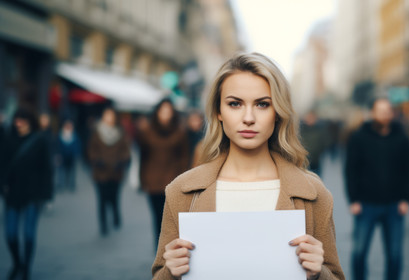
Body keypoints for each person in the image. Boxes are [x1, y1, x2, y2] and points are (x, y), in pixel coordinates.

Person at [151, 53, 345, 280]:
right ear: (219, 112)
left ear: (278, 113)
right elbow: (159, 275)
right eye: (235, 104)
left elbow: (334, 275)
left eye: (263, 104)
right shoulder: (181, 191)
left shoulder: (313, 193)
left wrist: (318, 273)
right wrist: (170, 273)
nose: (249, 117)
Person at [345, 98, 409, 280]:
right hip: (366, 204)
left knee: (395, 254)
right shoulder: (359, 137)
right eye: (380, 110)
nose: (384, 114)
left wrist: (406, 198)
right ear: (373, 113)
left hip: (395, 205)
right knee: (359, 252)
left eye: (387, 110)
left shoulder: (401, 137)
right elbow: (351, 169)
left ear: (392, 113)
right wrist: (353, 200)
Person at [0, 108, 53, 280]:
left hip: (33, 193)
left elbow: (47, 168)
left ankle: (26, 268)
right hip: (13, 193)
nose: (19, 123)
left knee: (29, 234)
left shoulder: (39, 141)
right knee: (10, 233)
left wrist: (46, 194)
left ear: (30, 121)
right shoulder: (7, 139)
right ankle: (17, 263)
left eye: (22, 119)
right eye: (16, 119)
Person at [136, 98, 189, 246]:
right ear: (157, 112)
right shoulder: (147, 132)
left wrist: (182, 179)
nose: (166, 114)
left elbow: (184, 157)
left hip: (173, 181)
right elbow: (143, 157)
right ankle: (158, 247)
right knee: (157, 216)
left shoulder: (179, 132)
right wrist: (142, 180)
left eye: (168, 111)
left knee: (172, 218)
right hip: (153, 181)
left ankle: (170, 245)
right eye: (163, 111)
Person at [88, 106, 130, 236]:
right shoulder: (96, 132)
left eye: (111, 115)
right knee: (102, 199)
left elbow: (125, 150)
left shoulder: (120, 132)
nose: (109, 118)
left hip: (116, 173)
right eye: (107, 115)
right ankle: (103, 224)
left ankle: (116, 216)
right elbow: (91, 150)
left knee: (114, 197)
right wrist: (96, 160)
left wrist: (122, 161)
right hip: (101, 173)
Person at [56, 119, 81, 192]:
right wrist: (58, 154)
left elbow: (78, 146)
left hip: (72, 157)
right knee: (61, 172)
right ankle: (61, 185)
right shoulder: (60, 135)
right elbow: (57, 146)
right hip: (62, 156)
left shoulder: (75, 136)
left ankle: (71, 185)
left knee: (72, 172)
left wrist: (76, 154)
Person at [301, 111, 327, 175]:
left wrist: (319, 151)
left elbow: (323, 142)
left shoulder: (319, 129)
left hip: (316, 160)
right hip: (304, 160)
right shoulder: (301, 129)